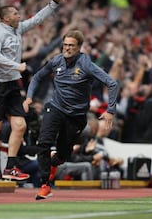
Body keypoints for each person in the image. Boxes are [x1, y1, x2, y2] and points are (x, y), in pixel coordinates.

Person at [0, 0, 66, 187]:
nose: (19, 16)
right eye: (15, 13)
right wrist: (17, 66)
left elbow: (37, 19)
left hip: (13, 84)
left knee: (20, 126)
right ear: (6, 18)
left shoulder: (17, 29)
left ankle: (10, 166)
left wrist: (54, 3)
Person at [23, 30, 118, 200]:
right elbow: (37, 77)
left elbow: (112, 83)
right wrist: (29, 97)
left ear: (79, 48)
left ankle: (56, 161)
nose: (67, 48)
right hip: (55, 108)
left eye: (71, 46)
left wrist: (110, 110)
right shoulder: (56, 61)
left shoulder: (86, 64)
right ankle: (45, 185)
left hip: (76, 116)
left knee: (63, 155)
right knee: (43, 142)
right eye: (65, 45)